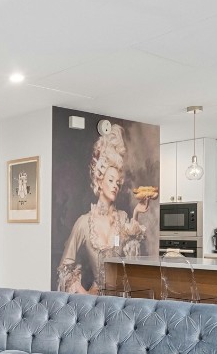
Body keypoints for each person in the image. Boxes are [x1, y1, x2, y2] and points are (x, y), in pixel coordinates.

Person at [57, 125, 155, 294]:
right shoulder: (84, 223)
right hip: (96, 298)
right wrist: (85, 295)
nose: (115, 186)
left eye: (117, 182)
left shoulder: (122, 218)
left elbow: (132, 257)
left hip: (122, 298)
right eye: (110, 180)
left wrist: (136, 213)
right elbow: (65, 268)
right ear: (99, 181)